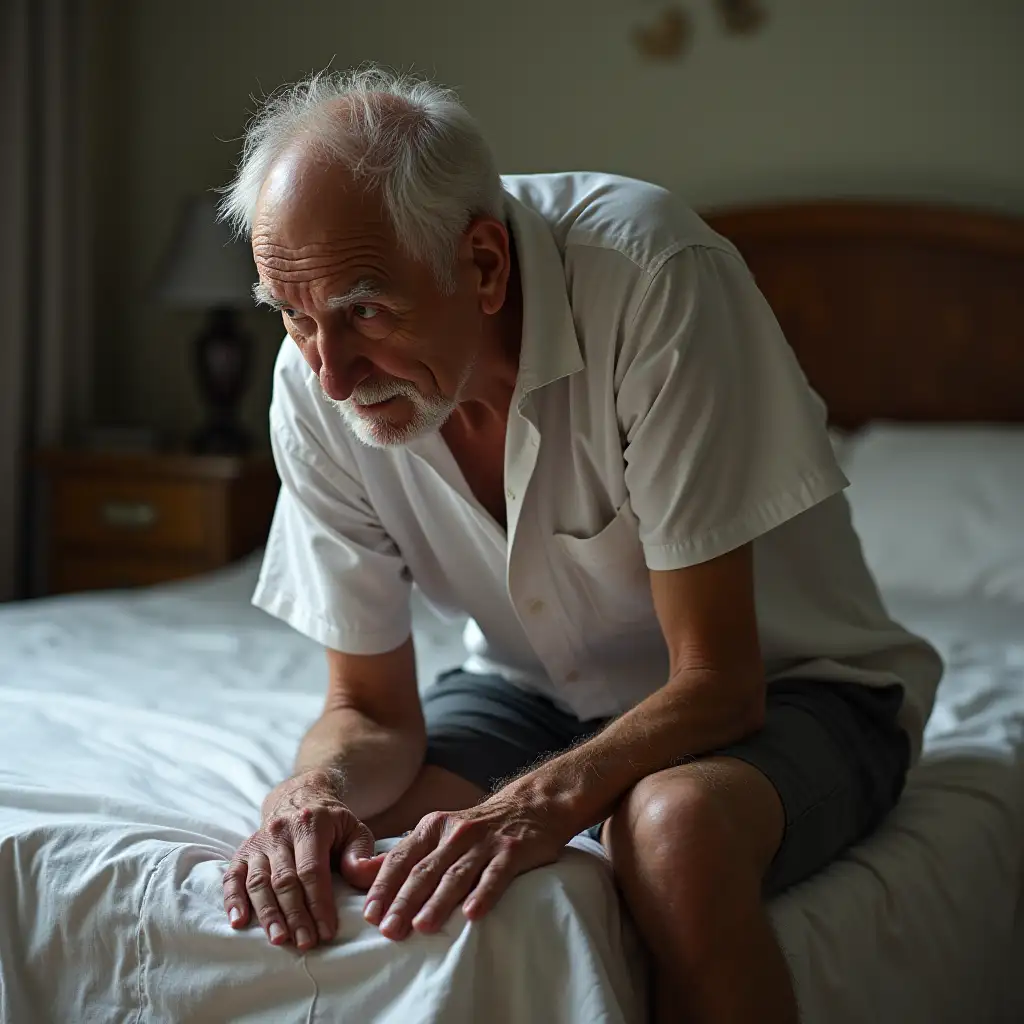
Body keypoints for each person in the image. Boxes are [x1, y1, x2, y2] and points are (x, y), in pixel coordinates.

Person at [216, 66, 941, 1024]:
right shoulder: (313, 376)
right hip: (531, 687)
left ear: (482, 264)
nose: (333, 375)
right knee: (365, 847)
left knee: (673, 831)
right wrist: (307, 795)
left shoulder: (656, 282)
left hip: (792, 684)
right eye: (294, 316)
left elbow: (720, 683)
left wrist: (534, 804)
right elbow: (367, 708)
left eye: (365, 312)